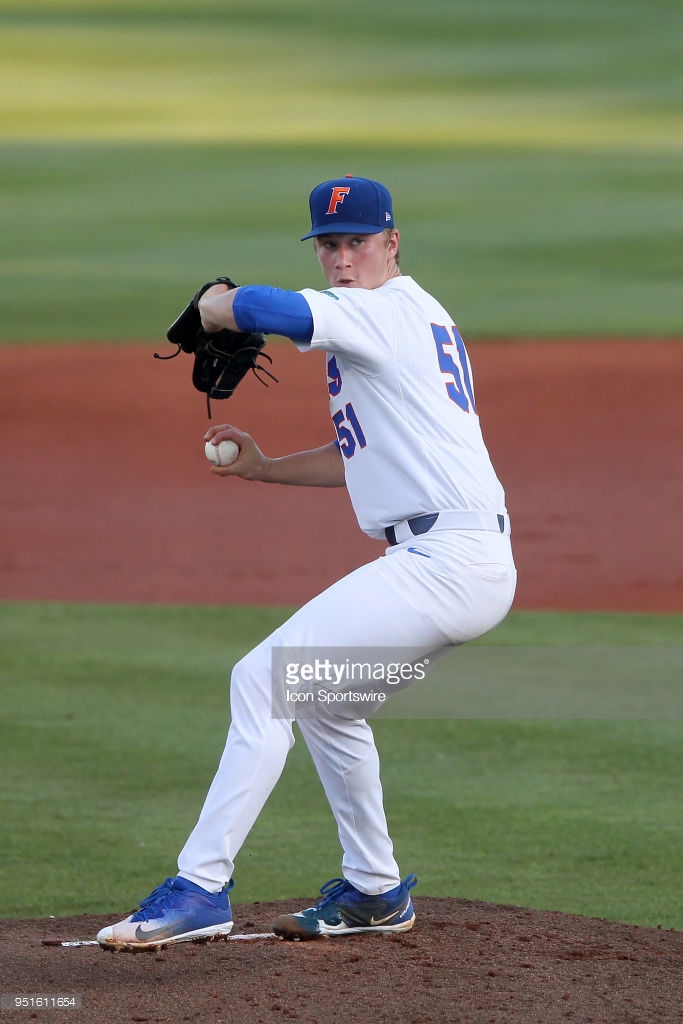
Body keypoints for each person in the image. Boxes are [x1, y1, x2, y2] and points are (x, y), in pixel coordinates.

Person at [96, 175, 516, 950]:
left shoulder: (383, 309)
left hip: (446, 560)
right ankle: (374, 890)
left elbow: (269, 311)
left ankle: (200, 887)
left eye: (357, 241)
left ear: (391, 244)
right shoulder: (398, 319)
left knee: (262, 678)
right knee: (326, 702)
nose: (342, 258)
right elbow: (361, 456)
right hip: (458, 558)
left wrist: (217, 301)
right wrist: (264, 468)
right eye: (328, 244)